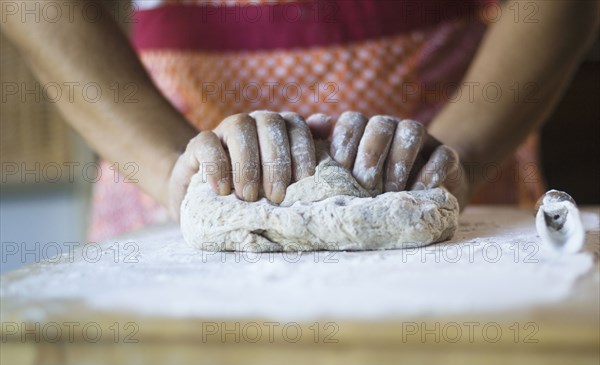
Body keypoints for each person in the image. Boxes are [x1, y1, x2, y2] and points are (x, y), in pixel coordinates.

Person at [2, 0, 597, 241]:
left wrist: (461, 151)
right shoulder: (175, 170)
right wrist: (169, 168)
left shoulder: (445, 164)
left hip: (441, 147)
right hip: (167, 159)